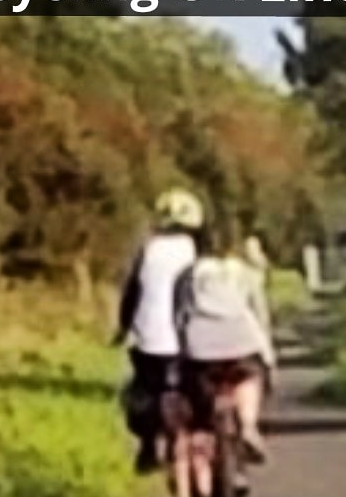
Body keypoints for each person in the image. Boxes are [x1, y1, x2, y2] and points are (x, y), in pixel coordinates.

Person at [174, 221, 276, 479]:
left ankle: (203, 473)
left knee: (199, 408)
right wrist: (268, 353)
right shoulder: (245, 273)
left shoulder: (188, 274)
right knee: (250, 376)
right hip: (242, 340)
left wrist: (181, 347)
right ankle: (248, 425)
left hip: (200, 347)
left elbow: (178, 315)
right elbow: (259, 313)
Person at [115, 188, 203, 473]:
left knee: (142, 389)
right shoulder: (197, 250)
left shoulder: (149, 249)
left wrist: (123, 327)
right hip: (192, 339)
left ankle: (148, 444)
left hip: (150, 341)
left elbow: (132, 293)